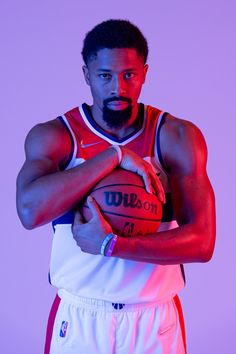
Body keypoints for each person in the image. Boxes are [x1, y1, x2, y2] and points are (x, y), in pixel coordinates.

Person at [16, 19, 216, 354]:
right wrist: (114, 156)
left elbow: (203, 242)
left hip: (154, 319)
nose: (118, 88)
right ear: (86, 75)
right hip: (80, 315)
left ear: (144, 73)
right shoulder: (57, 136)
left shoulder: (176, 137)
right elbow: (28, 211)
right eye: (105, 76)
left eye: (129, 75)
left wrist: (112, 245)